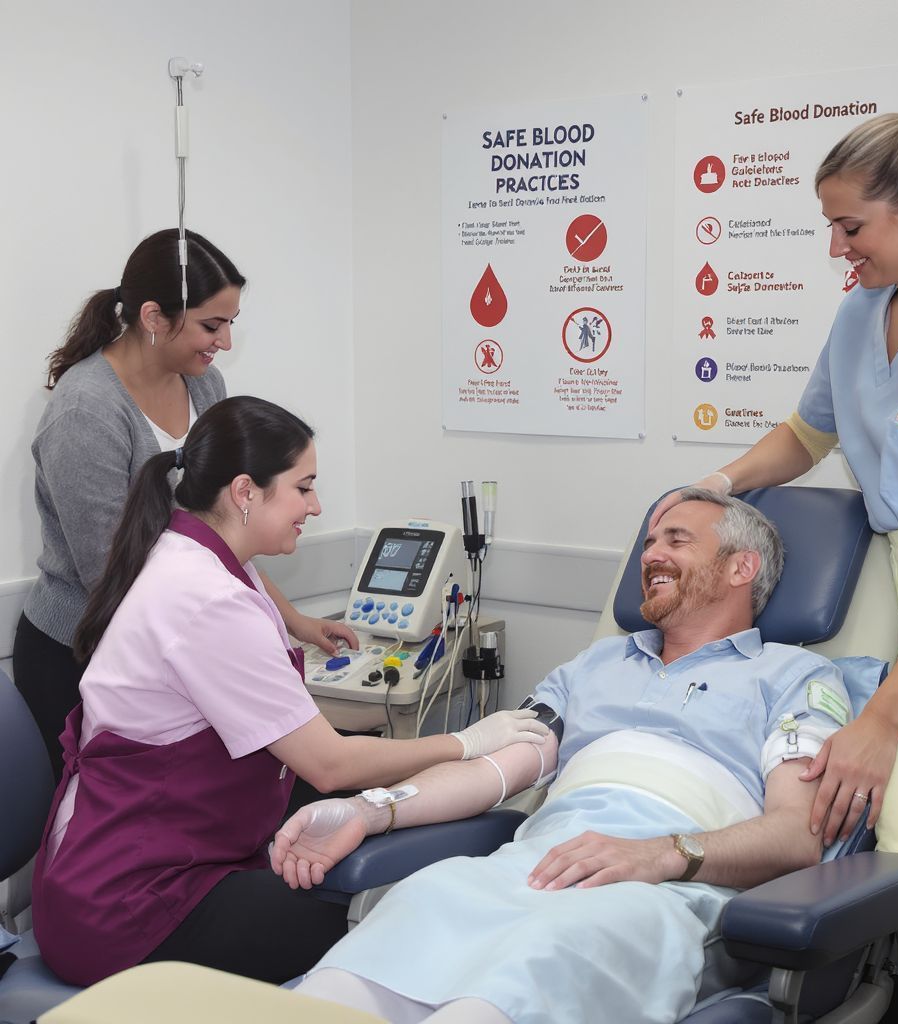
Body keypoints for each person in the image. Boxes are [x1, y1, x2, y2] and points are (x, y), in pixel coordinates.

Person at [653, 103, 898, 1023]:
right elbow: (806, 435)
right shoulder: (862, 313)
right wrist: (713, 487)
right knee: (897, 839)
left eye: (850, 226)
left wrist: (882, 723)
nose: (836, 248)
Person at [271, 489, 853, 1024]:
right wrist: (369, 810)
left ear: (741, 568)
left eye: (677, 541)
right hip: (531, 866)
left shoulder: (793, 677)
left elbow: (795, 836)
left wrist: (662, 854)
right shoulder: (595, 665)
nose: (651, 555)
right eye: (650, 542)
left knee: (527, 970)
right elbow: (493, 770)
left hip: (659, 890)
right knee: (415, 908)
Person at [31, 396, 549, 988]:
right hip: (125, 911)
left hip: (150, 864)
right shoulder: (204, 599)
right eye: (303, 488)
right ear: (245, 492)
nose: (315, 506)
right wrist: (468, 742)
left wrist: (300, 626)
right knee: (379, 919)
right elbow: (329, 764)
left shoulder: (200, 554)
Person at [13, 229, 354, 781]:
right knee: (101, 816)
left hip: (169, 646)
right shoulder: (86, 412)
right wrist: (224, 641)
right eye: (211, 326)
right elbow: (113, 574)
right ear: (153, 316)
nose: (224, 342)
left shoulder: (205, 386)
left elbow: (224, 535)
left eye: (230, 324)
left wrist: (293, 622)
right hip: (81, 655)